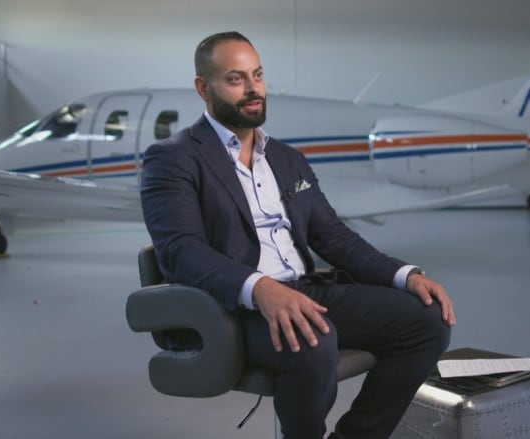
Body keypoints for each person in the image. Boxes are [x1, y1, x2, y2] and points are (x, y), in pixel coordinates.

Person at [140, 31, 455, 439]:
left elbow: (334, 237)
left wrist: (406, 275)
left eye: (257, 75)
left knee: (427, 322)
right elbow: (180, 252)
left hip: (306, 290)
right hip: (231, 307)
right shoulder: (173, 158)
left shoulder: (287, 160)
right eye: (236, 79)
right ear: (204, 88)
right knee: (311, 339)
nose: (253, 89)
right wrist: (260, 289)